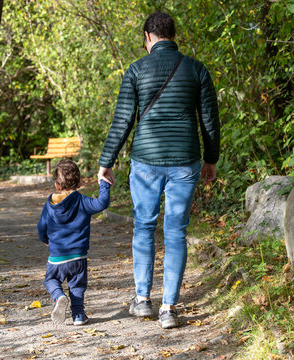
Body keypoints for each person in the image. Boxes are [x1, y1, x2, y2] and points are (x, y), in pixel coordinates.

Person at [98, 12, 220, 329]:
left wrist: (106, 161)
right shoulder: (196, 69)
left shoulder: (136, 70)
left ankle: (142, 301)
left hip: (145, 162)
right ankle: (168, 308)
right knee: (176, 231)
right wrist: (211, 158)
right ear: (173, 35)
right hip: (185, 161)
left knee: (143, 226)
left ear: (148, 37)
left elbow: (123, 120)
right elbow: (209, 120)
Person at [37, 159, 111, 325]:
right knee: (76, 286)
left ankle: (58, 297)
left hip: (57, 256)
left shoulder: (49, 205)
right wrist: (104, 183)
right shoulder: (82, 201)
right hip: (78, 257)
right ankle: (78, 315)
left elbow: (41, 227)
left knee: (50, 280)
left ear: (57, 185)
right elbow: (102, 203)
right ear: (79, 182)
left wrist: (45, 240)